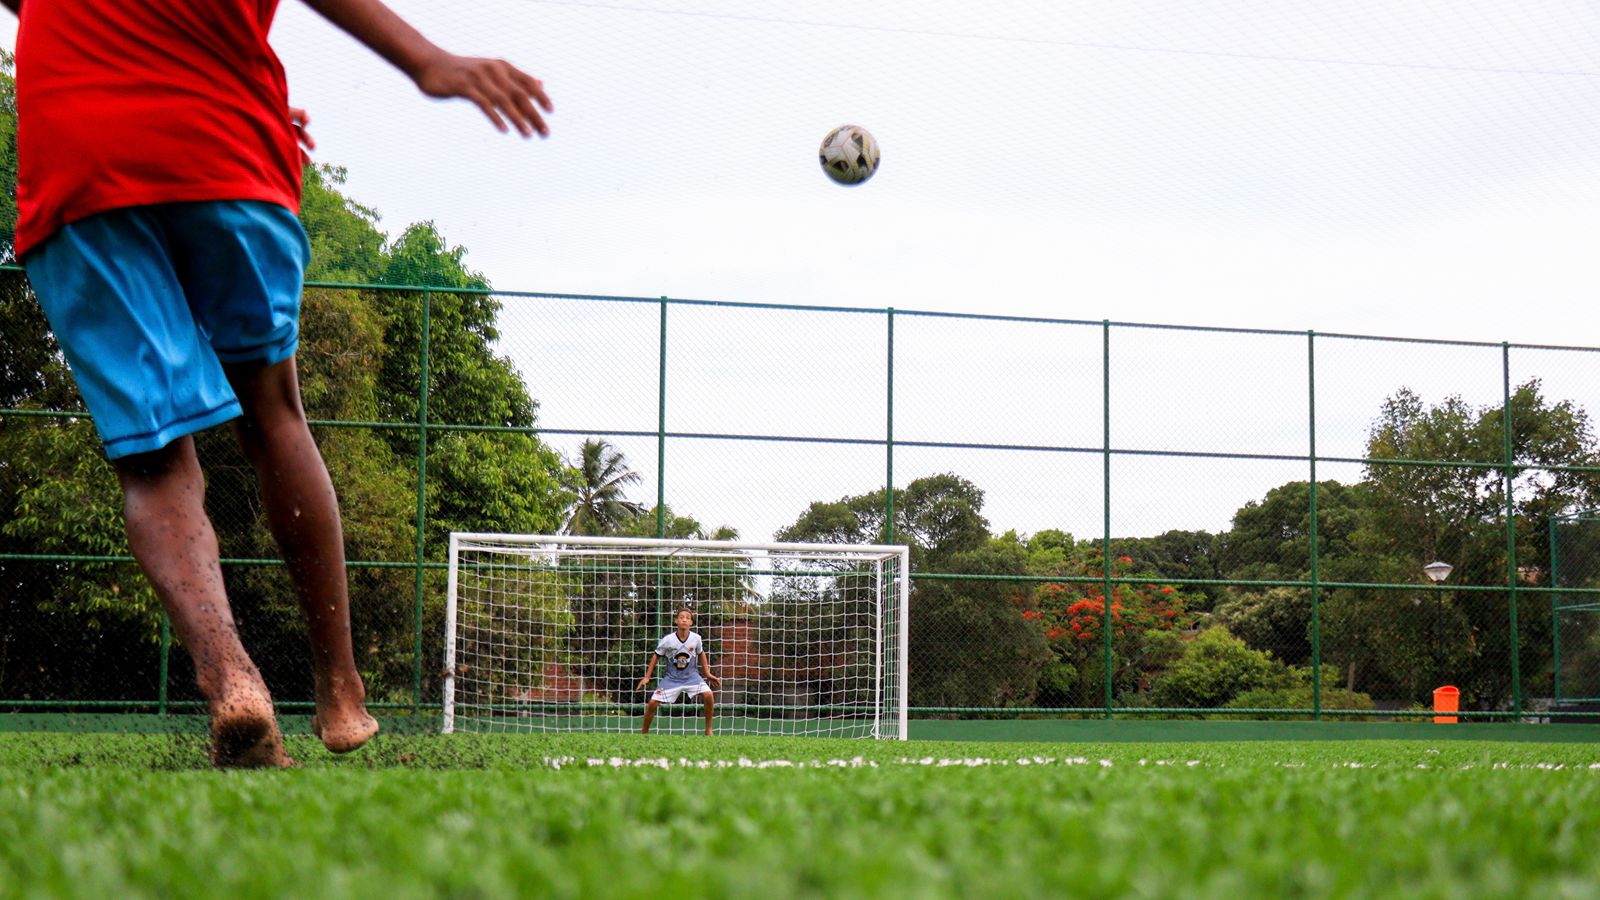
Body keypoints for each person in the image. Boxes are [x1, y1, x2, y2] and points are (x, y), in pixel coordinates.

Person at [5, 0, 553, 767]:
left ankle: (231, 676)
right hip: (222, 136)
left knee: (154, 455)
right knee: (273, 414)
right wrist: (427, 60)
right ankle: (340, 691)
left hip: (77, 135)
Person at [636, 608, 722, 736]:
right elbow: (656, 656)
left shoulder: (696, 639)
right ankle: (644, 732)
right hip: (671, 678)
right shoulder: (667, 640)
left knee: (708, 694)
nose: (684, 619)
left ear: (691, 622)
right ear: (676, 620)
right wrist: (647, 677)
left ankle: (708, 729)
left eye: (687, 618)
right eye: (681, 617)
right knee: (653, 702)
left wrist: (707, 673)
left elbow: (701, 654)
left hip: (691, 677)